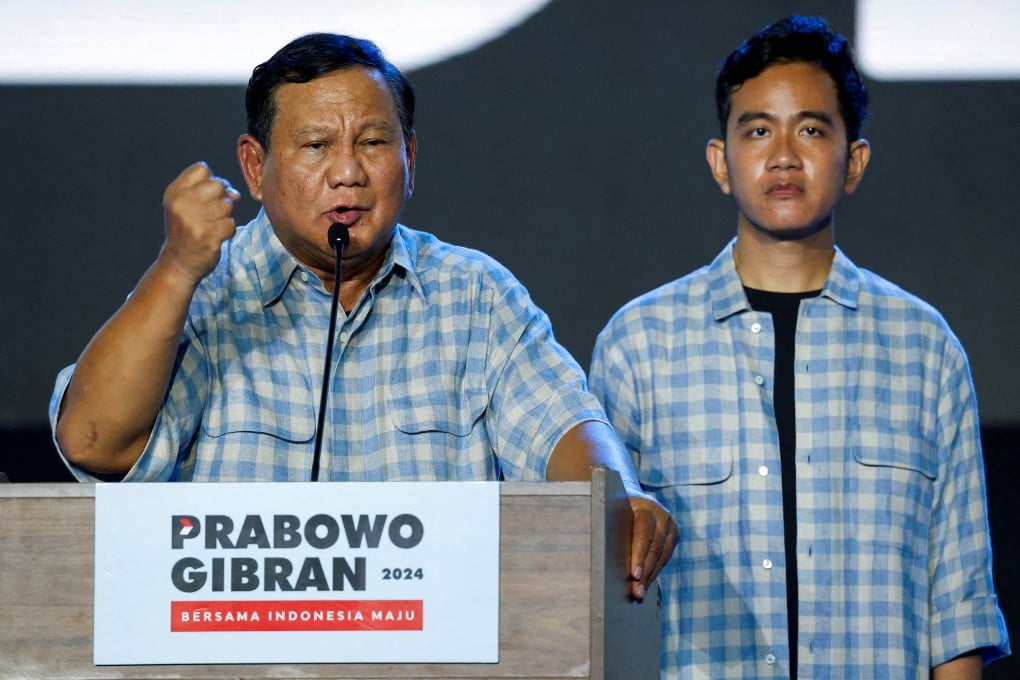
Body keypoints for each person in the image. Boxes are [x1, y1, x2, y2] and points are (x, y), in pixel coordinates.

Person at [49, 33, 677, 599]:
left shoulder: (473, 293)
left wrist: (619, 500)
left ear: (409, 155)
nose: (347, 173)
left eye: (374, 143)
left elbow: (566, 429)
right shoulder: (207, 294)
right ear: (254, 166)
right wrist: (178, 267)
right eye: (317, 145)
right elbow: (94, 443)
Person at [589, 15, 1010, 678]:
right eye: (757, 130)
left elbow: (955, 612)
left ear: (855, 161)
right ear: (720, 162)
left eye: (811, 129)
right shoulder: (639, 346)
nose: (783, 154)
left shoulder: (923, 348)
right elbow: (605, 602)